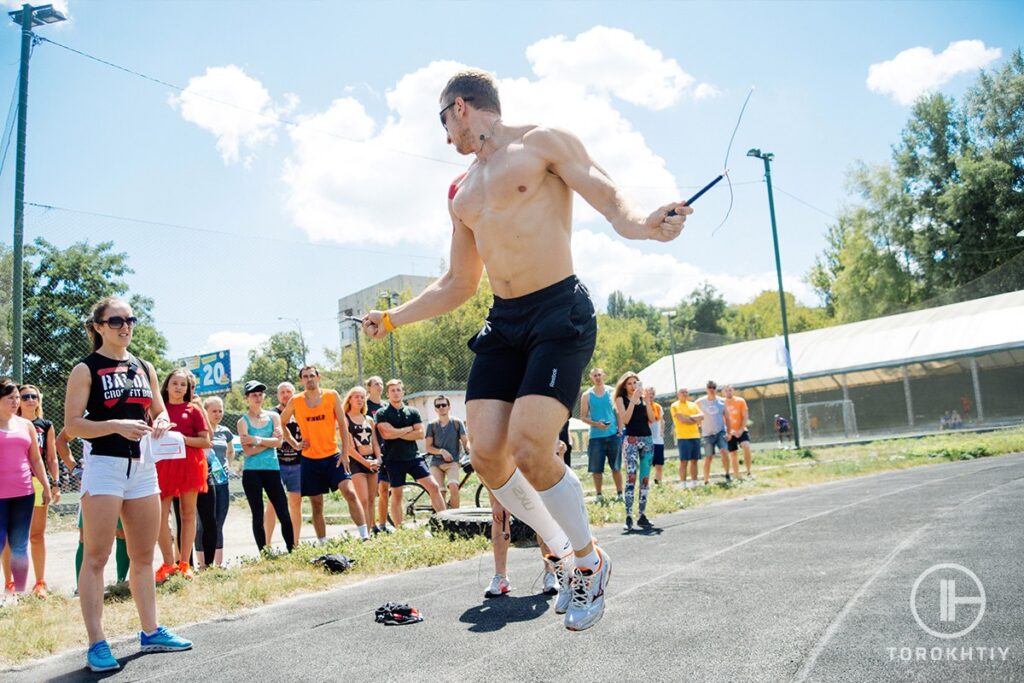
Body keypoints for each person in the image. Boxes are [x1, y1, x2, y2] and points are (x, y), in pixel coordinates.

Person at [363, 69, 690, 630]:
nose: (446, 139)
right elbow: (458, 284)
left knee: (533, 448)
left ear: (460, 107)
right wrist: (392, 319)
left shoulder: (542, 142)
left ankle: (589, 562)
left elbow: (608, 195)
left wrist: (645, 224)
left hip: (558, 311)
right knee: (488, 455)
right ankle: (561, 551)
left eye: (444, 122)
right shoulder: (461, 192)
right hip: (504, 321)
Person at [64, 296, 191, 672]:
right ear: (98, 326)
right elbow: (72, 425)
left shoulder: (143, 366)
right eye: (116, 320)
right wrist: (116, 426)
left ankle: (150, 632)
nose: (125, 326)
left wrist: (164, 422)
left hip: (143, 468)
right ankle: (96, 642)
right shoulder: (85, 369)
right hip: (104, 465)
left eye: (130, 319)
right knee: (97, 556)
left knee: (143, 556)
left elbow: (159, 410)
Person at [280, 366, 369, 542]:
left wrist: (345, 453)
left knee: (349, 492)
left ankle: (365, 536)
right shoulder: (296, 401)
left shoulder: (331, 395)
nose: (309, 379)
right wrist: (295, 444)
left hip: (333, 456)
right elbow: (282, 423)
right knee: (316, 504)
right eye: (305, 377)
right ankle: (323, 543)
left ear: (318, 377)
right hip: (310, 459)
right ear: (301, 381)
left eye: (312, 375)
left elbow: (343, 425)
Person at [485, 438, 563, 601]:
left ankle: (550, 573)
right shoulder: (493, 432)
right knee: (499, 516)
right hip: (503, 473)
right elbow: (487, 469)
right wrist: (498, 500)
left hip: (532, 468)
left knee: (543, 517)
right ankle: (501, 577)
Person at [154, 368, 213, 582]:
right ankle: (167, 563)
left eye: (183, 384)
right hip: (163, 466)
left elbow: (206, 441)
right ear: (166, 386)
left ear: (188, 389)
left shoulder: (194, 409)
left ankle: (185, 563)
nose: (178, 387)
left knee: (188, 515)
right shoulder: (157, 410)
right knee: (160, 517)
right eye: (175, 383)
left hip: (190, 465)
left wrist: (181, 439)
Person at [1, 383, 58, 598]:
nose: (26, 400)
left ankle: (38, 583)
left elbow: (42, 458)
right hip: (5, 489)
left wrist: (50, 484)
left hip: (30, 485)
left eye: (33, 396)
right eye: (21, 397)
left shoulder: (36, 426)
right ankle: (10, 585)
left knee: (33, 536)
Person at [56, 429, 130, 589]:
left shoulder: (129, 413)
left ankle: (121, 583)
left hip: (122, 480)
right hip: (93, 483)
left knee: (123, 532)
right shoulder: (87, 415)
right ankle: (81, 587)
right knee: (86, 537)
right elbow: (61, 441)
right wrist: (75, 468)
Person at [374, 379, 446, 526]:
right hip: (393, 459)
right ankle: (400, 529)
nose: (396, 393)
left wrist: (396, 432)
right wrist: (408, 429)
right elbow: (386, 434)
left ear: (403, 392)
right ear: (388, 394)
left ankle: (445, 523)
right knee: (397, 494)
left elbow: (420, 434)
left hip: (413, 458)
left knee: (433, 487)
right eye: (392, 390)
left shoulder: (413, 411)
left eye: (398, 390)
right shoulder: (382, 413)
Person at [237, 381, 294, 553]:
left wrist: (256, 440)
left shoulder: (273, 417)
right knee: (257, 513)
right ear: (247, 398)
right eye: (253, 394)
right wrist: (269, 441)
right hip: (252, 471)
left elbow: (279, 443)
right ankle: (264, 552)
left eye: (260, 394)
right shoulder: (243, 421)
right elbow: (248, 451)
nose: (257, 397)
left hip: (272, 469)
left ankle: (292, 549)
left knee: (283, 510)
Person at [613, 373, 656, 531]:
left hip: (647, 440)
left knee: (645, 478)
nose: (633, 386)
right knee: (631, 477)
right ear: (624, 385)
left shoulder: (643, 398)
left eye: (635, 383)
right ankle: (629, 515)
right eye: (630, 383)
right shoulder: (620, 399)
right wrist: (633, 400)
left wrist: (648, 401)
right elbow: (625, 420)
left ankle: (642, 515)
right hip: (630, 440)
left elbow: (652, 418)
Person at [266, 382, 302, 549]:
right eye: (282, 392)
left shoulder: (301, 410)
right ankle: (266, 545)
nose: (286, 395)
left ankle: (295, 543)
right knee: (273, 503)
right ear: (277, 395)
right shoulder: (272, 414)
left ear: (294, 394)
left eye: (289, 392)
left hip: (297, 463)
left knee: (296, 503)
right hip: (277, 464)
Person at [343, 386, 382, 538]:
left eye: (361, 397)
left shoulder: (369, 420)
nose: (359, 399)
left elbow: (375, 443)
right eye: (356, 397)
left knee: (372, 499)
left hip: (372, 461)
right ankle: (363, 535)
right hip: (356, 462)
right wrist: (365, 463)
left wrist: (378, 459)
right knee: (363, 499)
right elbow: (349, 448)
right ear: (350, 399)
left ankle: (371, 532)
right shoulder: (345, 419)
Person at [580, 368, 622, 501]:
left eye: (599, 375)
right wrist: (596, 424)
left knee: (616, 467)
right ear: (591, 377)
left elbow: (620, 412)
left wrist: (620, 430)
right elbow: (583, 417)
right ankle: (599, 495)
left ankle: (620, 494)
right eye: (595, 375)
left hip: (612, 435)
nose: (597, 377)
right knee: (596, 469)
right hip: (596, 437)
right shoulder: (587, 395)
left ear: (603, 375)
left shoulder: (612, 392)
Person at [203, 396, 233, 567]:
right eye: (214, 411)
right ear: (205, 411)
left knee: (219, 522)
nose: (218, 414)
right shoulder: (202, 431)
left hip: (223, 482)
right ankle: (203, 564)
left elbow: (230, 451)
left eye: (220, 410)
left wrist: (227, 465)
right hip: (206, 482)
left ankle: (219, 564)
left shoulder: (225, 431)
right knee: (206, 523)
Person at [424, 394, 469, 508]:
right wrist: (441, 451)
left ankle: (455, 519)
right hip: (436, 464)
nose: (441, 407)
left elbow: (465, 441)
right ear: (435, 409)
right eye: (438, 406)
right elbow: (428, 447)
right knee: (440, 491)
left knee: (454, 487)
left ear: (449, 407)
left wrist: (471, 452)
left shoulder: (457, 423)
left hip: (452, 462)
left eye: (444, 405)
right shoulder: (432, 425)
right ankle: (442, 520)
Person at [365, 376, 392, 533]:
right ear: (369, 387)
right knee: (371, 493)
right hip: (369, 452)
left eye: (381, 383)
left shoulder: (386, 406)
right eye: (376, 384)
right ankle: (371, 525)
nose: (380, 386)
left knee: (384, 489)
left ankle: (382, 525)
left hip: (386, 451)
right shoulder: (365, 405)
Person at [696, 380, 730, 484]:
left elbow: (727, 417)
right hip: (707, 434)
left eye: (714, 387)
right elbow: (694, 413)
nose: (711, 389)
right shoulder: (700, 402)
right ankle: (706, 480)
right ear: (706, 389)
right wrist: (698, 424)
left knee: (724, 452)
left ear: (716, 389)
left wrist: (729, 431)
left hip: (720, 432)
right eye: (710, 387)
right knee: (708, 457)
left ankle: (727, 474)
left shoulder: (722, 401)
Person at [670, 389, 703, 488]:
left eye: (686, 392)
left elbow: (702, 416)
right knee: (684, 461)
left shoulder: (693, 405)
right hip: (683, 437)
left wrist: (688, 418)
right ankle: (683, 484)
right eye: (682, 392)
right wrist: (694, 419)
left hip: (695, 436)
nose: (684, 394)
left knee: (694, 460)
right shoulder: (675, 406)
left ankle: (694, 483)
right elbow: (682, 420)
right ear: (678, 394)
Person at [722, 385, 752, 478]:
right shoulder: (721, 403)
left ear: (733, 390)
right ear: (723, 392)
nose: (728, 392)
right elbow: (721, 419)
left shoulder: (740, 401)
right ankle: (736, 475)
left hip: (741, 430)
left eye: (730, 390)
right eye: (726, 391)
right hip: (729, 432)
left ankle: (748, 471)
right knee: (733, 454)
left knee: (746, 446)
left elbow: (745, 416)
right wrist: (729, 432)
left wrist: (740, 430)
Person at [648, 386, 665, 485]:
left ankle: (658, 483)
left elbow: (662, 421)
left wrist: (661, 432)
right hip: (647, 439)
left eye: (652, 394)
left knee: (659, 464)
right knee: (647, 464)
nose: (651, 396)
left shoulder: (658, 407)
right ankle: (645, 484)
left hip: (658, 440)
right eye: (649, 393)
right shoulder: (642, 406)